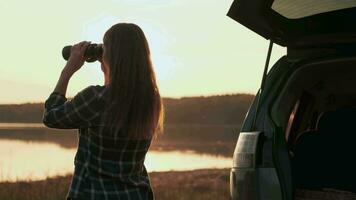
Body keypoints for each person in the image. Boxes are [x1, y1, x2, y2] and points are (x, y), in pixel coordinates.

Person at [43, 23, 164, 200]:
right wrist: (108, 66)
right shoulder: (151, 100)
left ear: (111, 56)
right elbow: (118, 91)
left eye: (104, 49)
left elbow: (51, 116)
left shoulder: (96, 98)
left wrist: (68, 70)